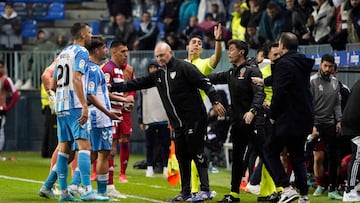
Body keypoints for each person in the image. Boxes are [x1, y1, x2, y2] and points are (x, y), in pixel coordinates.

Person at [110, 42, 226, 202]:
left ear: (170, 52)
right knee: (181, 156)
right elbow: (137, 83)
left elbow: (204, 82)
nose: (160, 58)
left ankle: (205, 190)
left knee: (196, 152)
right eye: (157, 56)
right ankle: (185, 192)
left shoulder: (184, 67)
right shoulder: (158, 75)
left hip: (195, 119)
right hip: (178, 124)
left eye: (162, 55)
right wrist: (113, 87)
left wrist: (216, 101)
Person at [52, 22, 109, 201]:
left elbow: (53, 84)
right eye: (90, 32)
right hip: (75, 105)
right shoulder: (82, 52)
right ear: (83, 34)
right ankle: (88, 190)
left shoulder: (63, 53)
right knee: (85, 147)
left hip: (61, 106)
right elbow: (77, 78)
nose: (91, 35)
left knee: (64, 149)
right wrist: (84, 105)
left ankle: (64, 193)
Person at [204, 40, 264, 203]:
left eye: (231, 50)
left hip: (255, 122)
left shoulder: (252, 71)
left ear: (242, 52)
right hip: (238, 123)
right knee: (237, 159)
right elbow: (213, 78)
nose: (228, 53)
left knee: (267, 156)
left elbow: (260, 94)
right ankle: (234, 194)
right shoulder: (232, 73)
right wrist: (195, 78)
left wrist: (253, 111)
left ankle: (282, 189)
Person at [262, 32, 315, 203]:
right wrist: (264, 81)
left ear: (283, 46)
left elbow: (280, 92)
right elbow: (289, 82)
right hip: (305, 116)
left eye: (278, 44)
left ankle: (286, 187)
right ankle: (304, 196)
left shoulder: (283, 64)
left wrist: (272, 115)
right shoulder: (302, 63)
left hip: (288, 117)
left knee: (269, 151)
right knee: (297, 155)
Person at [184, 24, 222, 194]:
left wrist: (218, 40)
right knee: (183, 155)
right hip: (180, 115)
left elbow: (216, 58)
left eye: (200, 43)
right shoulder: (180, 64)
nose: (197, 44)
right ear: (187, 47)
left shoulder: (203, 64)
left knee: (196, 153)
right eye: (194, 42)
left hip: (197, 115)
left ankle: (197, 189)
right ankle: (189, 189)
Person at [85, 37, 121, 198]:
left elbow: (99, 93)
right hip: (100, 117)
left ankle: (75, 185)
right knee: (104, 153)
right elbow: (91, 95)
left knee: (93, 154)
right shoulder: (93, 69)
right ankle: (101, 191)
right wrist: (108, 113)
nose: (106, 50)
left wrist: (122, 99)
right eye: (104, 48)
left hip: (96, 116)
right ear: (96, 50)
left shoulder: (92, 68)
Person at [101, 40, 134, 196]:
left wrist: (125, 103)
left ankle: (109, 186)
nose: (126, 54)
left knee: (111, 150)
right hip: (108, 114)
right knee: (104, 151)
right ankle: (82, 183)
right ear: (113, 52)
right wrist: (124, 100)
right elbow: (104, 93)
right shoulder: (108, 69)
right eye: (123, 51)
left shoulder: (119, 70)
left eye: (126, 51)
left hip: (117, 113)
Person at [309, 54, 343, 200]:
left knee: (333, 157)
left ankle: (333, 189)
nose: (328, 69)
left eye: (330, 67)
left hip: (330, 124)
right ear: (320, 65)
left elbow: (336, 103)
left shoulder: (336, 83)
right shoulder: (312, 81)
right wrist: (311, 125)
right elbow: (308, 105)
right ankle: (319, 185)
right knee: (316, 158)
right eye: (325, 66)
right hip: (315, 124)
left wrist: (339, 120)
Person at [137, 60, 171, 178]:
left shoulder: (165, 82)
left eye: (154, 67)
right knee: (149, 145)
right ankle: (150, 167)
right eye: (150, 67)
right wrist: (141, 119)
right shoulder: (144, 83)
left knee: (165, 145)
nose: (152, 70)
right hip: (149, 119)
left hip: (163, 119)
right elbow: (140, 103)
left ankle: (166, 167)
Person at [341, 79, 360, 202]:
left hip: (351, 123)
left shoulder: (357, 83)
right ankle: (350, 190)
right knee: (358, 156)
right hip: (354, 125)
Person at [0, 60, 19, 159]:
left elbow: (15, 95)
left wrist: (7, 107)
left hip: (0, 109)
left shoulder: (5, 80)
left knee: (0, 131)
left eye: (1, 67)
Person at [0, 3, 22, 75]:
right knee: (4, 62)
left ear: (12, 9)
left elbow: (18, 29)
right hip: (4, 44)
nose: (8, 10)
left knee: (15, 63)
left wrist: (6, 28)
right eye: (6, 8)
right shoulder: (1, 19)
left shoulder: (17, 18)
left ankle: (15, 78)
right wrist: (10, 27)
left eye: (9, 8)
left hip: (15, 44)